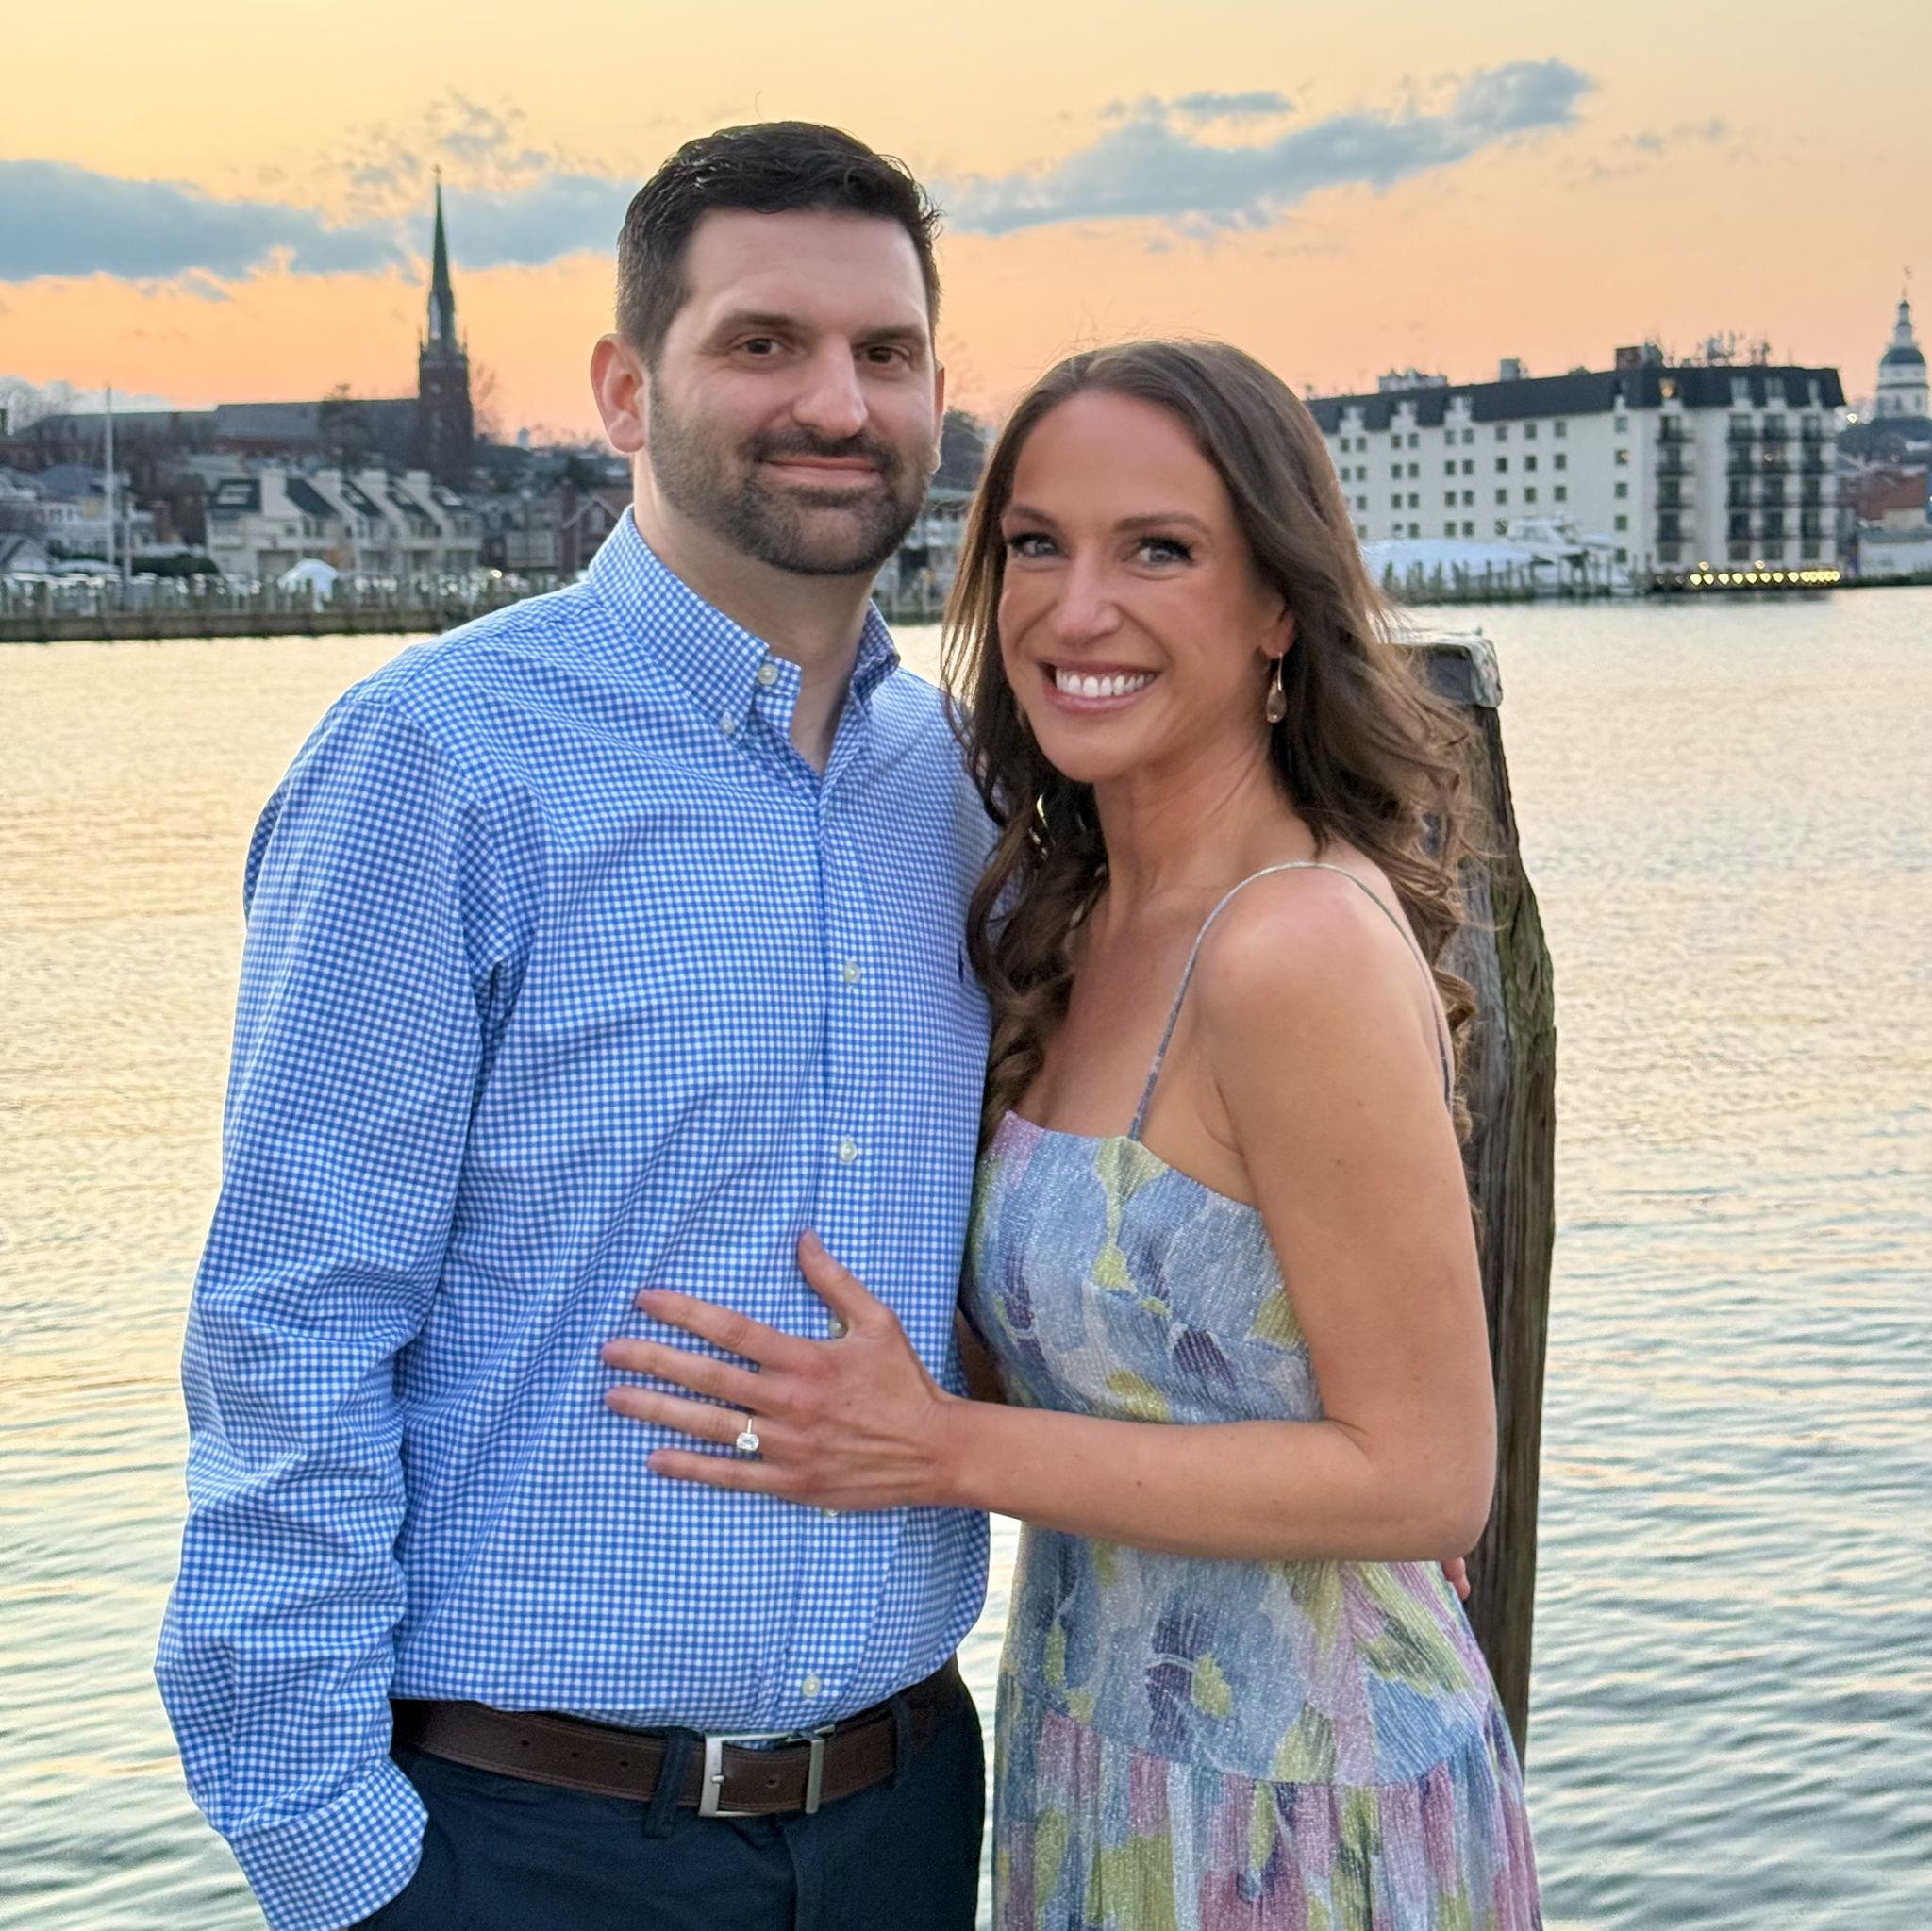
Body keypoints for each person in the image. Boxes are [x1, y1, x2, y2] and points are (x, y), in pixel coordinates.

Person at [155, 123, 995, 1931]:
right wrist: (340, 1862)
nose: (836, 404)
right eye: (762, 343)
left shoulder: (965, 797)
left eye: (887, 353)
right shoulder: (439, 767)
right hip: (528, 1844)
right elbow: (291, 1325)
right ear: (627, 387)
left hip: (909, 1818)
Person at [606, 340, 1541, 1927]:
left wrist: (937, 1450)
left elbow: (1429, 1477)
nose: (1074, 609)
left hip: (1306, 1797)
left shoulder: (1293, 945)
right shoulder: (1066, 913)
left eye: (1156, 551)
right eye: (1034, 544)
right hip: (1088, 1741)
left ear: (1276, 612)